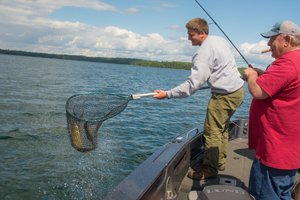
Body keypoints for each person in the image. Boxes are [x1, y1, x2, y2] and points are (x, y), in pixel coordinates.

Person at [153, 18, 244, 180]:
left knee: (212, 132)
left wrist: (167, 94)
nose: (189, 39)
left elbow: (191, 86)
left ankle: (209, 168)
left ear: (202, 33)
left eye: (191, 35)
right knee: (222, 128)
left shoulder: (202, 54)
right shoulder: (219, 40)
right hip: (238, 91)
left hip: (223, 97)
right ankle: (219, 161)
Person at [243, 20, 300, 200]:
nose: (268, 44)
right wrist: (263, 76)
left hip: (275, 149)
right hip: (289, 149)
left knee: (265, 194)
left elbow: (258, 92)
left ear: (286, 40)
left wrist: (251, 75)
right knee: (282, 192)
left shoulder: (287, 63)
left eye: (272, 39)